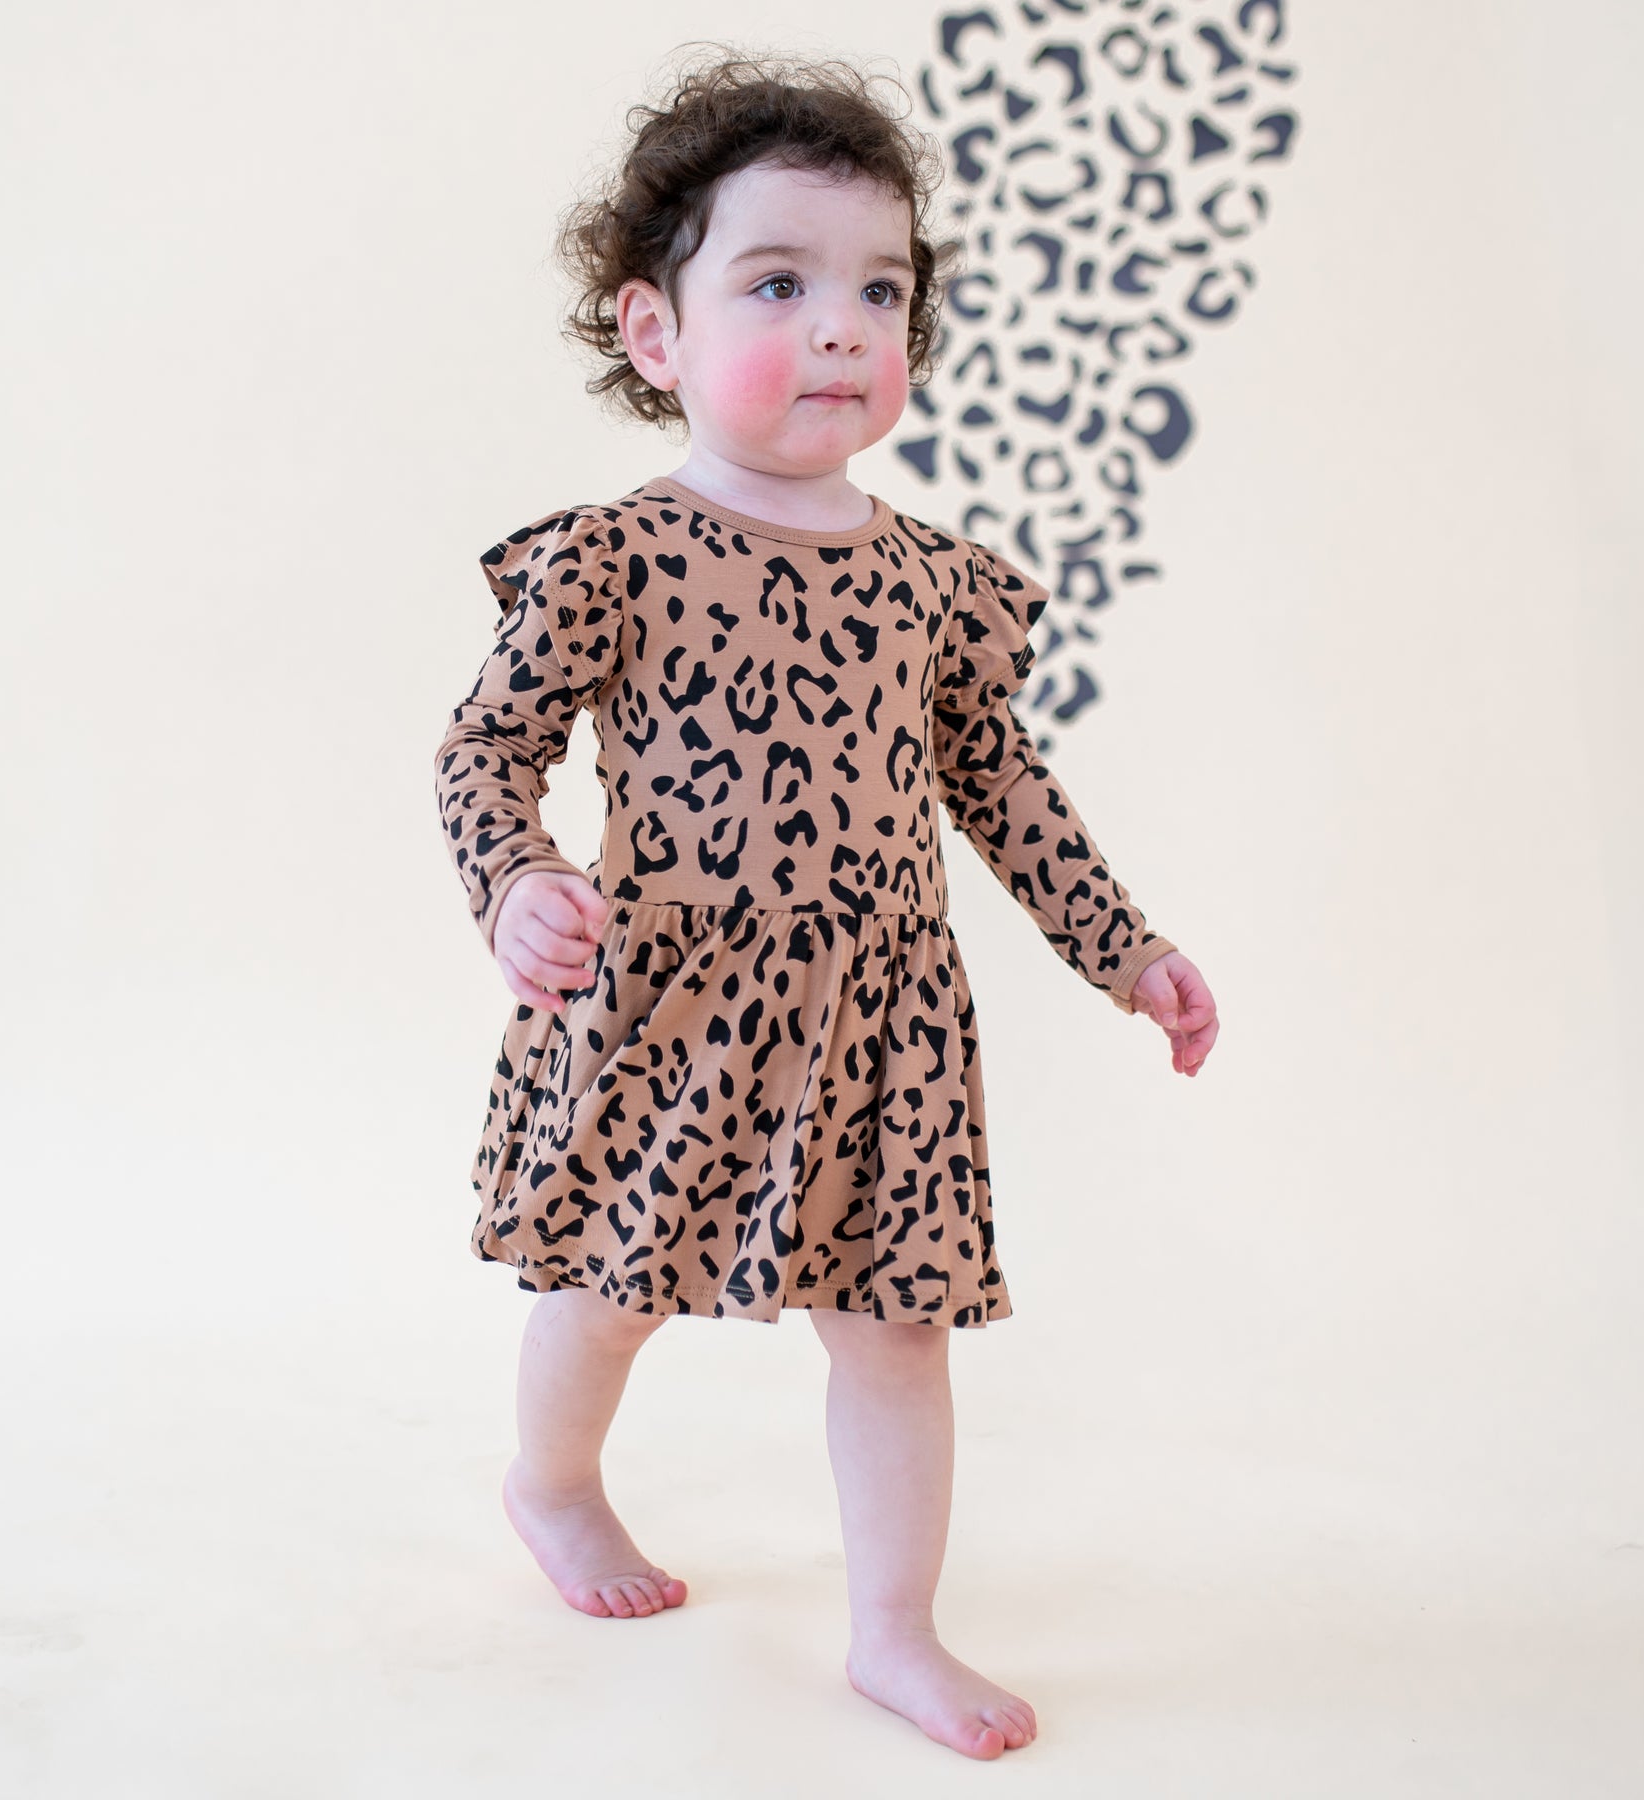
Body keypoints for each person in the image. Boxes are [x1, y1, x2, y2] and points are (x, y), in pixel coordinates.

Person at [432, 47, 1220, 1761]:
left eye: (883, 288)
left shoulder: (934, 581)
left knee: (897, 1329)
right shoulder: (618, 556)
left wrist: (1128, 950)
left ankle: (892, 1628)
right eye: (780, 283)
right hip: (671, 1004)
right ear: (660, 335)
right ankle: (551, 1483)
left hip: (883, 1023)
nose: (848, 325)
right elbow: (488, 746)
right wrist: (521, 880)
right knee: (609, 1283)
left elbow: (1005, 792)